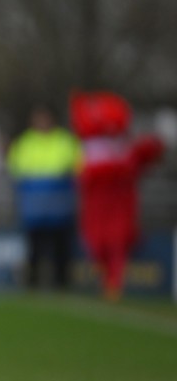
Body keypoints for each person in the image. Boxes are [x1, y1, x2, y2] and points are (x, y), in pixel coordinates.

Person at [68, 91, 163, 301]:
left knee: (117, 242)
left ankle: (114, 284)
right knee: (96, 244)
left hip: (119, 207)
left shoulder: (124, 149)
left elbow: (146, 155)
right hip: (96, 208)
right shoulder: (90, 151)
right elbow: (82, 176)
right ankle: (108, 281)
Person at [6, 105, 82, 291]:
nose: (42, 123)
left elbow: (79, 167)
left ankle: (62, 284)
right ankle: (32, 284)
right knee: (34, 249)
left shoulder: (65, 141)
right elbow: (14, 168)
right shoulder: (25, 143)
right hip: (34, 208)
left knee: (61, 248)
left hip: (60, 207)